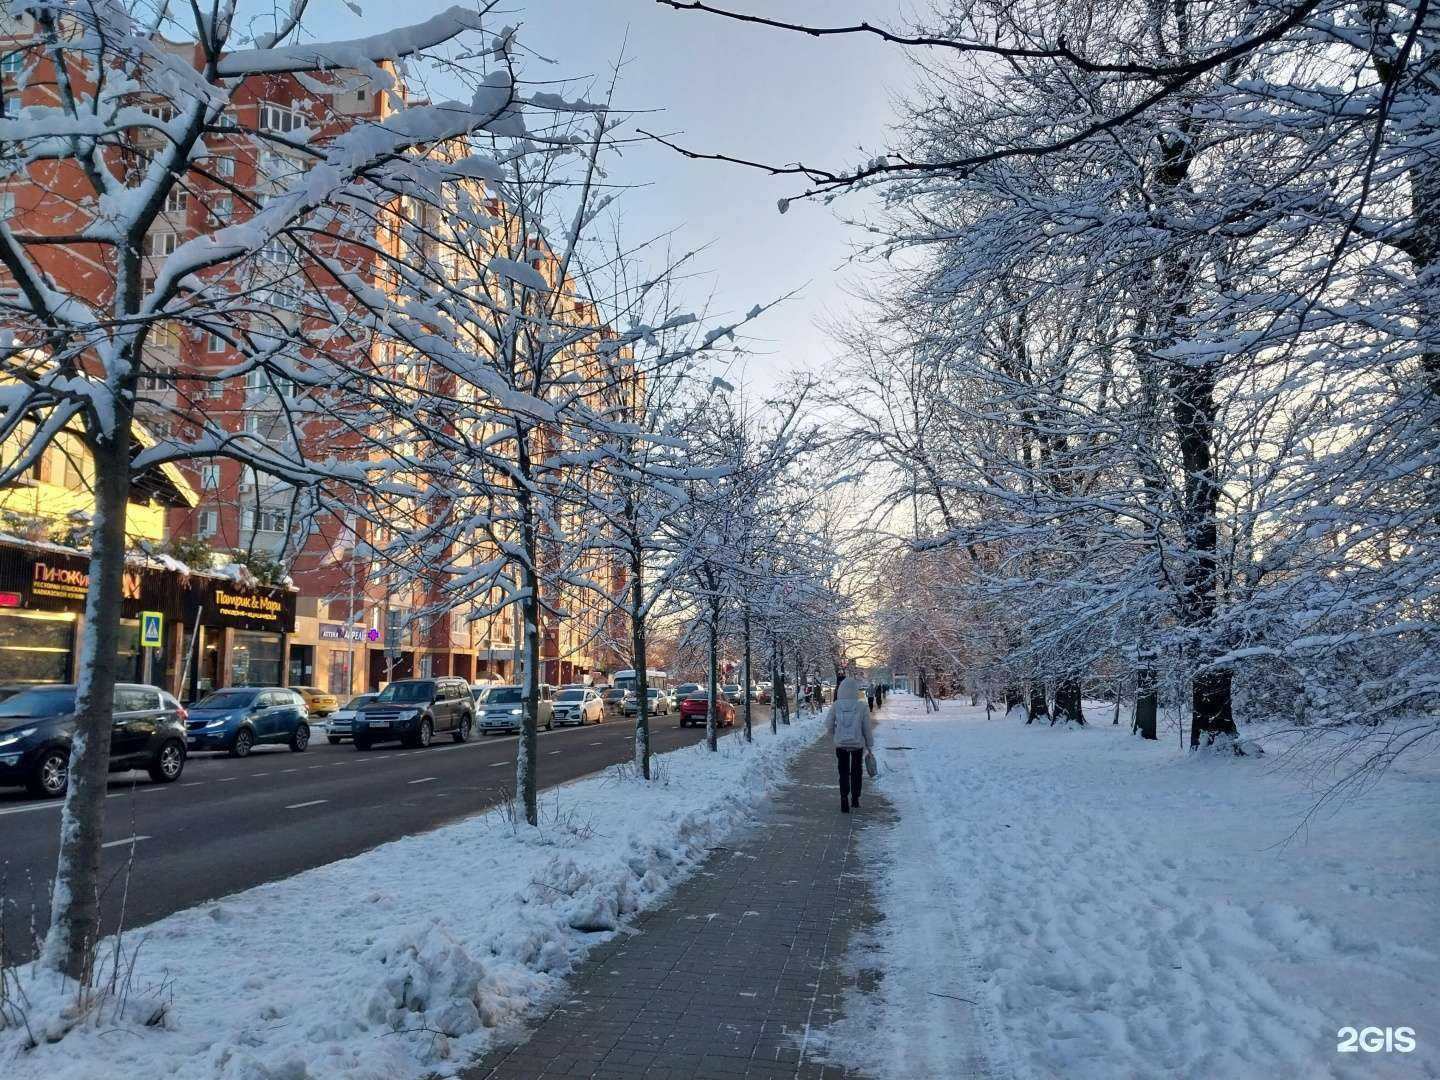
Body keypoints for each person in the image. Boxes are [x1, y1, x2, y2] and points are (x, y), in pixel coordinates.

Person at [828, 674, 874, 813]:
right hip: (857, 744)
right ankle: (855, 798)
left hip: (841, 745)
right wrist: (869, 744)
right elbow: (866, 727)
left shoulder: (836, 705)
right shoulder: (862, 706)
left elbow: (828, 724)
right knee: (856, 771)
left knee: (843, 772)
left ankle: (843, 798)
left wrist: (835, 735)